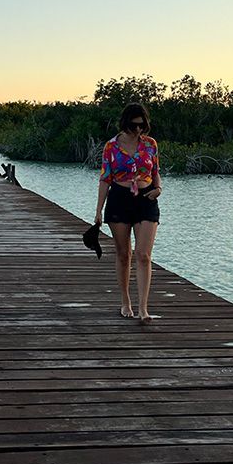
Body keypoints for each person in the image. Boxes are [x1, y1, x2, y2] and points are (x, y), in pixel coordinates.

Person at [94, 102, 162, 323]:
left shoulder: (150, 144)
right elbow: (105, 179)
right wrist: (98, 211)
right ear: (125, 123)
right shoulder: (111, 147)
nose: (138, 130)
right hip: (119, 199)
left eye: (142, 125)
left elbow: (155, 171)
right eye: (134, 126)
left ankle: (143, 308)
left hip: (146, 199)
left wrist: (158, 189)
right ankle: (125, 302)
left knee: (143, 255)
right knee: (124, 255)